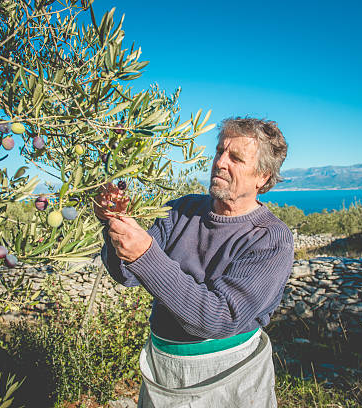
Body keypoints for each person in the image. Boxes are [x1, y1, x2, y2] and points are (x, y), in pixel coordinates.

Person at [94, 117, 293, 407]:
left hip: (231, 376)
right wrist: (114, 222)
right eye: (219, 151)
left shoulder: (270, 238)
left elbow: (218, 318)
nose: (220, 163)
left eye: (235, 157)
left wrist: (145, 254)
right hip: (164, 369)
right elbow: (127, 274)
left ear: (262, 176)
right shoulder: (182, 210)